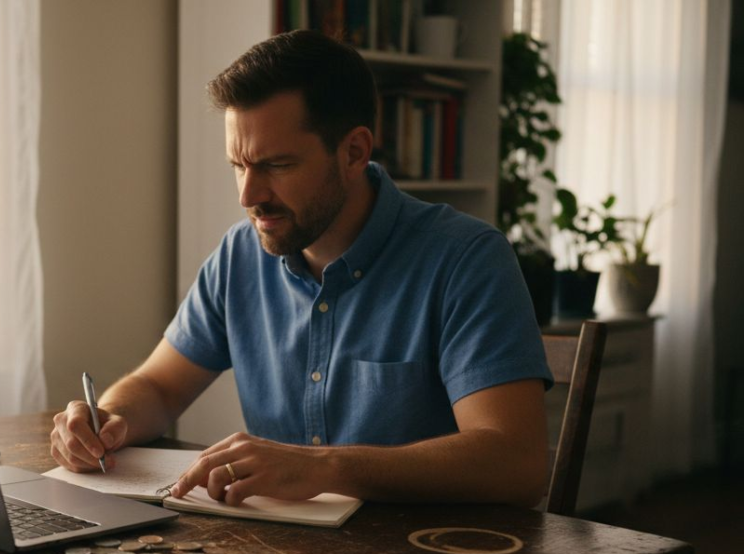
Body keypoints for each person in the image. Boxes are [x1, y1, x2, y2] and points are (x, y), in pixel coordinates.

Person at [49, 30, 553, 508]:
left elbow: (518, 462)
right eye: (238, 166)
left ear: (353, 152)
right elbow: (158, 387)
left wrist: (326, 467)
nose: (249, 196)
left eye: (276, 165)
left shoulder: (465, 259)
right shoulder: (239, 255)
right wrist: (107, 419)